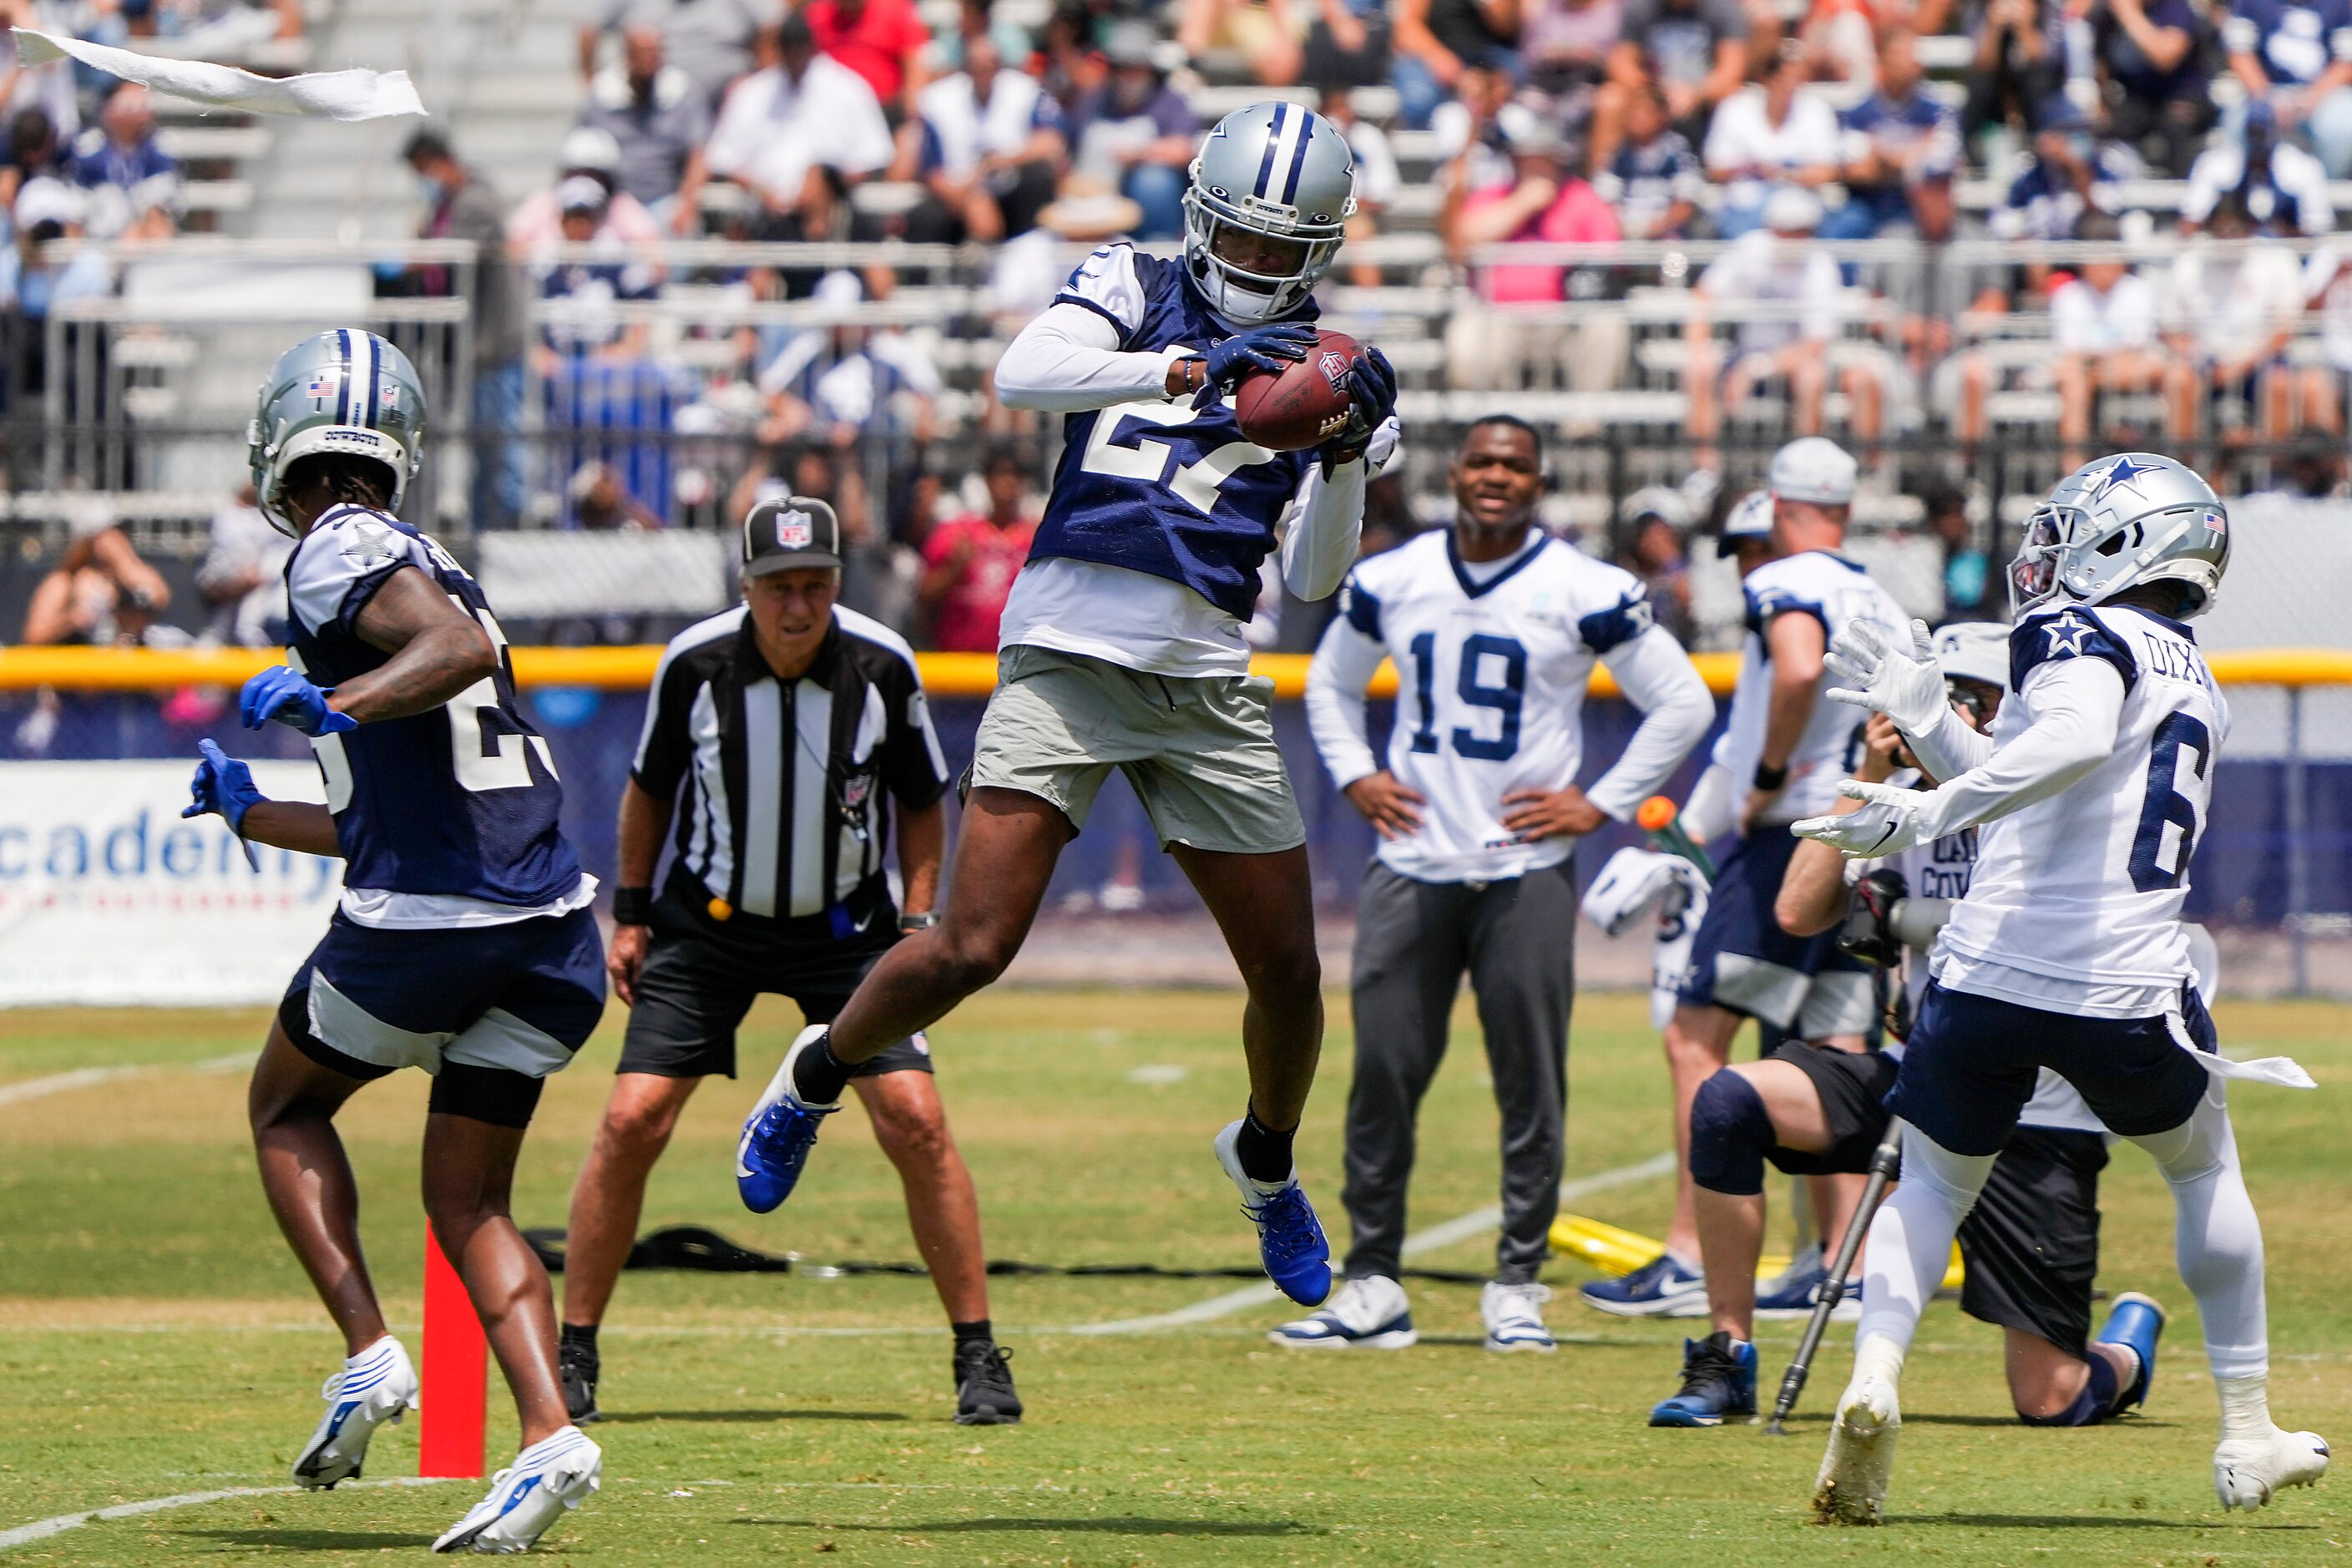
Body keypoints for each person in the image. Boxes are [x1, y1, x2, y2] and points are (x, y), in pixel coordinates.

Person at [730, 103, 1399, 1308]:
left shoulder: (1324, 363)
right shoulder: (1136, 278)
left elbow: (1308, 580)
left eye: (1276, 250)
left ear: (1318, 250)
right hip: (1067, 649)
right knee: (971, 945)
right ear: (1199, 217)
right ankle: (816, 1072)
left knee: (1292, 975)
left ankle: (1261, 1157)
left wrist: (1345, 451)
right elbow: (1024, 371)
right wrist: (1187, 367)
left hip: (1204, 673)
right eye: (1237, 241)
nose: (1251, 267)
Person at [1798, 453, 2328, 1523]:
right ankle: (2244, 1430)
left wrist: (1928, 809)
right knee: (2200, 1168)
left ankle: (1876, 1376)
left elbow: (2067, 748)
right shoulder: (2195, 672)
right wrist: (1937, 732)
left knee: (1936, 1187)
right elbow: (2039, 782)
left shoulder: (2069, 633)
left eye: (2074, 527)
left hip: (1989, 965)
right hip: (2123, 984)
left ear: (2130, 541)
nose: (2047, 548)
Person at [183, 331, 604, 1551]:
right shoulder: (428, 563)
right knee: (468, 1197)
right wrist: (251, 808)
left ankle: (371, 1356)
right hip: (548, 926)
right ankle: (548, 1438)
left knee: (282, 1108)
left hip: (437, 928)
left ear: (284, 440)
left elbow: (449, 657)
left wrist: (336, 699)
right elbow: (380, 808)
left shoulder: (339, 545)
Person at [560, 495, 1017, 1427]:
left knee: (918, 1122)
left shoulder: (883, 667)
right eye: (779, 588)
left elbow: (924, 799)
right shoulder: (693, 664)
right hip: (708, 927)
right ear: (748, 587)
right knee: (632, 1118)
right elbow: (648, 792)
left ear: (838, 586)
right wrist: (633, 915)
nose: (798, 607)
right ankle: (574, 1354)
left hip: (849, 935)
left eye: (814, 586)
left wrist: (920, 919)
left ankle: (978, 1354)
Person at [1649, 623, 2170, 1428]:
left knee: (2050, 1399)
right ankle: (1726, 1354)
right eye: (1944, 696)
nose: (1956, 715)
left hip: (2035, 1106)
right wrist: (1866, 774)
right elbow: (1796, 912)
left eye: (1977, 699)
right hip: (1919, 1075)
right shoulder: (1906, 801)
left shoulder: (2061, 800)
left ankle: (2126, 1348)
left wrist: (1915, 915)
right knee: (1726, 1102)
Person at [1287, 417, 1712, 1353]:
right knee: (1383, 1078)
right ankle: (1372, 1281)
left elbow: (1684, 702)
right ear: (1455, 473)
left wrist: (1597, 803)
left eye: (1516, 465)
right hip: (1413, 861)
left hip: (1525, 870)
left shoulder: (1583, 587)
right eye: (1483, 461)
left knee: (1532, 1084)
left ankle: (1516, 1283)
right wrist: (1356, 773)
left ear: (1540, 481)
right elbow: (1328, 685)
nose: (1497, 477)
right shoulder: (1394, 576)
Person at [1581, 438, 1909, 1318]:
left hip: (1787, 839)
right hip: (1861, 831)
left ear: (1778, 504)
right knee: (1834, 1054)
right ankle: (1842, 1265)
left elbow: (1796, 670)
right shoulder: (1878, 595)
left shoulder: (1788, 585)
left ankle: (1690, 1256)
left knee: (1696, 1041)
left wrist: (1766, 782)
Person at [403, 130, 527, 532]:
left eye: (424, 171)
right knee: (480, 446)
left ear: (439, 162)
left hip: (491, 347)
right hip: (470, 350)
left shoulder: (475, 201)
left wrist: (416, 259)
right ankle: (481, 532)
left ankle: (500, 532)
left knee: (496, 450)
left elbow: (449, 258)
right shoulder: (448, 202)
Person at [688, 13, 894, 230]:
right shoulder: (752, 92)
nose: (795, 58)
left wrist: (823, 191)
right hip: (764, 213)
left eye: (800, 50)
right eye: (789, 50)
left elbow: (872, 156)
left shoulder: (848, 88)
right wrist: (763, 191)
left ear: (812, 47)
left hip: (833, 214)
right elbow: (724, 158)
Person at [2160, 190, 2305, 449]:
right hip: (2204, 362)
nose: (2228, 236)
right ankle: (2186, 470)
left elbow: (2285, 330)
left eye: (2235, 228)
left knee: (2280, 383)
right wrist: (2199, 357)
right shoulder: (2188, 263)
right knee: (2178, 378)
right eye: (2220, 229)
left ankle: (2274, 473)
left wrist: (2240, 365)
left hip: (2261, 360)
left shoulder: (2277, 259)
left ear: (2250, 228)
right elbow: (2171, 329)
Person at [900, 33, 1066, 245]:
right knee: (924, 218)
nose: (984, 72)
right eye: (976, 66)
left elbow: (1051, 141)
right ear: (965, 67)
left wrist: (1000, 161)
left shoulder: (1025, 91)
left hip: (1015, 191)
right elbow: (933, 171)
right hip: (959, 196)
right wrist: (969, 198)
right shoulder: (938, 100)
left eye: (990, 65)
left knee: (1039, 179)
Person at [1062, 23, 1199, 242]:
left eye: (1135, 68)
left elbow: (1183, 150)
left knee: (1154, 181)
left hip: (1143, 200)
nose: (1127, 76)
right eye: (1120, 68)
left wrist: (1136, 155)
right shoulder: (1094, 101)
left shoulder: (1169, 101)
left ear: (1150, 69)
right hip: (1095, 200)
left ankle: (1157, 246)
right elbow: (1068, 153)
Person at [2049, 210, 2162, 468]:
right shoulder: (2068, 295)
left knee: (2166, 370)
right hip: (2088, 373)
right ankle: (2073, 475)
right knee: (2073, 381)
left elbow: (2138, 349)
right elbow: (2070, 353)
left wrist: (2094, 364)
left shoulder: (2138, 290)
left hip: (2128, 372)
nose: (2103, 264)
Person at [1702, 44, 1842, 239]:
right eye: (1783, 78)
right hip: (1745, 204)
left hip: (1801, 202)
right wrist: (1751, 168)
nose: (1790, 86)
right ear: (1766, 78)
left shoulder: (1817, 111)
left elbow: (1826, 170)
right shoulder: (1734, 109)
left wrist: (1784, 174)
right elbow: (1715, 168)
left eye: (1797, 79)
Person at [1589, 0, 1748, 170]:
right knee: (1611, 98)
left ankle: (1723, 180)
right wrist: (1654, 91)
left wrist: (1696, 93)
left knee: (1736, 97)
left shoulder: (1722, 8)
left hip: (1703, 95)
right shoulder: (1640, 7)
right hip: (1652, 90)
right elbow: (1621, 62)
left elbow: (1732, 68)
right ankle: (1602, 183)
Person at [579, 24, 715, 219]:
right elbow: (582, 155)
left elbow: (699, 154)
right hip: (611, 204)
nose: (648, 60)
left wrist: (687, 203)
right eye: (642, 53)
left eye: (654, 52)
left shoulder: (684, 94)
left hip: (667, 200)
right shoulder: (601, 96)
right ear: (627, 55)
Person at [919, 439, 1037, 652]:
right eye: (1001, 473)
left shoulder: (1037, 536)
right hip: (959, 663)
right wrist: (954, 568)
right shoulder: (957, 531)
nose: (1009, 481)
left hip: (1015, 661)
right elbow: (924, 596)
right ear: (986, 479)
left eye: (1017, 475)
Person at [2225, 0, 2352, 177]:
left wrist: (2312, 98)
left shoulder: (2337, 4)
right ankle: (2247, 194)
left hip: (2325, 94)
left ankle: (2326, 195)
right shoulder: (2250, 3)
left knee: (2342, 128)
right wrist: (2267, 97)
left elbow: (2347, 61)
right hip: (2265, 90)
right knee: (2236, 123)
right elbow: (2239, 54)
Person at [581, 0, 775, 111]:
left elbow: (771, 27)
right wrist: (590, 81)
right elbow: (589, 29)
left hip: (724, 105)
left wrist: (761, 79)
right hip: (653, 108)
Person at [20, 517, 172, 645]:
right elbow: (34, 636)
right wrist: (71, 620)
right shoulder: (65, 581)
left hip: (118, 671)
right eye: (100, 536)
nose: (107, 541)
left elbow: (159, 597)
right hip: (75, 671)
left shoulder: (128, 576)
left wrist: (122, 558)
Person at [69, 83, 175, 240]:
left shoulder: (159, 145)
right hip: (98, 235)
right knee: (109, 197)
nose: (139, 108)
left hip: (143, 237)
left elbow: (158, 207)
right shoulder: (89, 146)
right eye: (130, 102)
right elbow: (78, 203)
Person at [195, 482, 291, 647]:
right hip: (231, 600)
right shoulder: (227, 518)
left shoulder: (277, 523)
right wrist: (240, 581)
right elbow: (211, 584)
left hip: (271, 605)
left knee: (249, 631)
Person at [806, 0, 932, 115]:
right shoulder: (818, 14)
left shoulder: (895, 9)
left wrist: (910, 117)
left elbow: (915, 65)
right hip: (830, 109)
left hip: (884, 110)